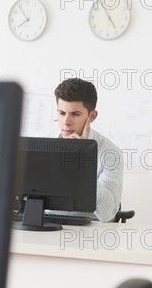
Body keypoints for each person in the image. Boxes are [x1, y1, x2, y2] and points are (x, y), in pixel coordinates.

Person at [49, 78, 123, 222]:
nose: (66, 122)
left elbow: (108, 214)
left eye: (75, 114)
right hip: (46, 225)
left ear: (92, 116)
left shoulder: (110, 154)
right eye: (62, 113)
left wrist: (80, 165)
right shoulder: (43, 143)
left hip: (89, 231)